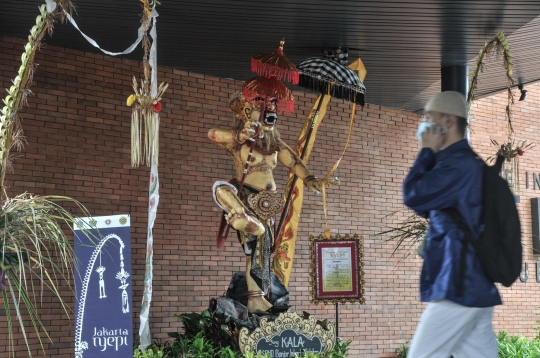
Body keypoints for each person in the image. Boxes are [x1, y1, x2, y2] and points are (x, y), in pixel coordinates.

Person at [403, 91, 501, 357]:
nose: (424, 125)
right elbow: (426, 205)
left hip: (457, 285)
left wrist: (425, 151)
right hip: (474, 286)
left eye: (428, 118)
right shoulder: (463, 165)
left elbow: (413, 193)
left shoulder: (459, 166)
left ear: (446, 120)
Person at [208, 92, 325, 313]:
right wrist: (239, 135)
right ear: (246, 112)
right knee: (221, 188)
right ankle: (241, 216)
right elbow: (213, 134)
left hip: (267, 204)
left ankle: (256, 297)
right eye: (263, 108)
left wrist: (309, 179)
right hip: (245, 198)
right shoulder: (239, 141)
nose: (269, 111)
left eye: (272, 108)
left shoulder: (274, 143)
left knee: (260, 251)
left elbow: (294, 161)